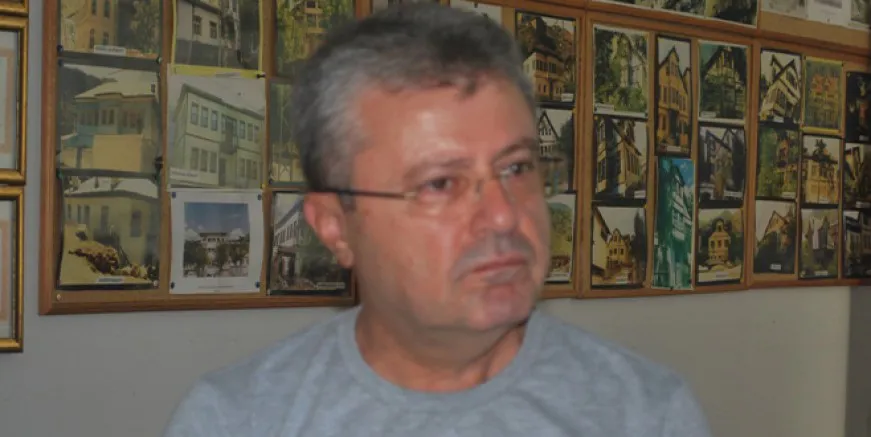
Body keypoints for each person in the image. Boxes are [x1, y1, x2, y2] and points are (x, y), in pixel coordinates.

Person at [163, 3, 712, 436]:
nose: (503, 215)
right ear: (335, 226)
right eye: (440, 184)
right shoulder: (237, 421)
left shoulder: (644, 414)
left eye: (517, 168)